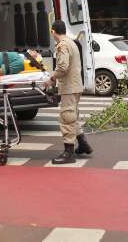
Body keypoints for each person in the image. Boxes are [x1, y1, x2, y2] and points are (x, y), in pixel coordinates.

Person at [45, 20, 93, 165]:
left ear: (53, 31)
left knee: (66, 117)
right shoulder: (72, 43)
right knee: (72, 116)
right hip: (76, 86)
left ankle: (69, 152)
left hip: (69, 88)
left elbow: (63, 67)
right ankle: (83, 144)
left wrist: (51, 78)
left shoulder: (63, 45)